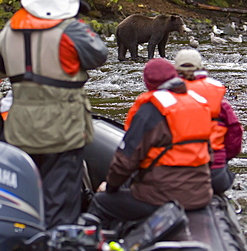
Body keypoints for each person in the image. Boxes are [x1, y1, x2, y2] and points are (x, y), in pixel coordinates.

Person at [0, 0, 108, 229]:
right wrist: (73, 20)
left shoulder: (7, 32)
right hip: (63, 130)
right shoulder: (72, 30)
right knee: (60, 201)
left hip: (18, 129)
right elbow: (99, 55)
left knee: (25, 195)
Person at [87, 58, 213, 229]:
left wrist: (110, 186)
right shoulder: (200, 104)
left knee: (102, 202)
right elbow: (210, 155)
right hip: (200, 195)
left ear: (148, 84)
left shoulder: (151, 110)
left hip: (162, 198)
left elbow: (125, 161)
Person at [174, 49, 243, 194]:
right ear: (200, 69)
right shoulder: (220, 101)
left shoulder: (165, 98)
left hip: (176, 173)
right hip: (215, 174)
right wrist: (223, 158)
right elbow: (235, 134)